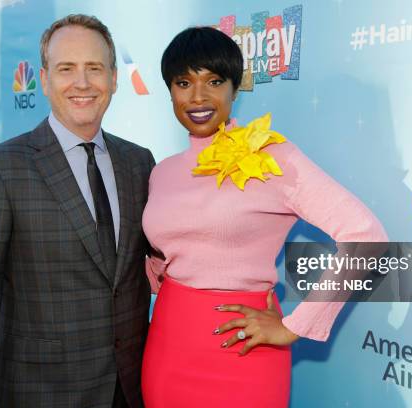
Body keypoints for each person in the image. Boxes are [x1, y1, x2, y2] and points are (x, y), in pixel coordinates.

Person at [141, 27, 388, 407]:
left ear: (235, 90)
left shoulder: (272, 156)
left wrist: (294, 326)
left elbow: (366, 236)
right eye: (183, 82)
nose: (198, 97)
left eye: (215, 81)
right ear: (170, 91)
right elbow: (164, 257)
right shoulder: (163, 171)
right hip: (168, 348)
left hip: (244, 352)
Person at [0, 15, 153, 407]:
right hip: (40, 393)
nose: (83, 83)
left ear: (114, 77)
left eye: (94, 68)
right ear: (43, 79)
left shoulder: (139, 162)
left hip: (131, 389)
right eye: (66, 69)